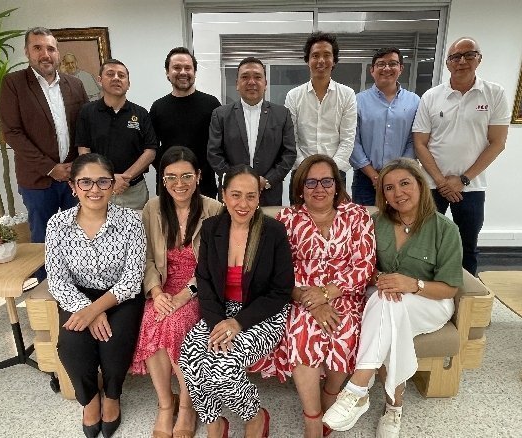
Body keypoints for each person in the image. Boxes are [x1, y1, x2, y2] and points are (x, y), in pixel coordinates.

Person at [323, 158, 463, 438]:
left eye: (405, 183)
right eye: (389, 187)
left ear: (420, 185)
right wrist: (381, 279)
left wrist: (413, 284)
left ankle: (357, 390)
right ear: (382, 195)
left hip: (430, 302)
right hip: (383, 298)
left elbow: (449, 288)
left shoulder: (445, 229)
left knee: (389, 304)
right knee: (390, 307)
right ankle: (393, 408)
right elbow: (361, 266)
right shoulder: (374, 223)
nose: (398, 192)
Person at [253, 154, 375, 438]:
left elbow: (365, 265)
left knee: (344, 330)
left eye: (326, 181)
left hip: (345, 293)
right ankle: (312, 416)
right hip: (299, 296)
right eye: (310, 182)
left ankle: (331, 394)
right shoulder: (286, 219)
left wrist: (327, 293)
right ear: (300, 187)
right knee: (303, 332)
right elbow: (277, 269)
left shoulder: (357, 216)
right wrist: (310, 300)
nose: (319, 188)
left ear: (337, 185)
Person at [178, 165, 294, 438]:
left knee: (223, 370)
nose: (243, 204)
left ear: (258, 198)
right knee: (190, 359)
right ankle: (215, 422)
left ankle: (255, 416)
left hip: (260, 314)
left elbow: (281, 291)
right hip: (219, 312)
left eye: (251, 196)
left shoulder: (273, 231)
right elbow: (204, 281)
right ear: (223, 195)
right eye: (236, 195)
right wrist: (219, 322)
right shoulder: (211, 228)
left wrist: (238, 323)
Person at [45, 153, 146, 438]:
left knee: (114, 344)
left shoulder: (130, 221)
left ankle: (112, 397)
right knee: (71, 346)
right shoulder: (58, 225)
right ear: (73, 187)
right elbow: (57, 280)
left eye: (103, 181)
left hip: (121, 296)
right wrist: (86, 308)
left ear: (113, 185)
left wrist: (95, 310)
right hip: (77, 296)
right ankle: (89, 400)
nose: (95, 189)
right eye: (85, 182)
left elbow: (132, 279)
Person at [130, 146, 222, 438]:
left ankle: (187, 404)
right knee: (150, 320)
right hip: (162, 286)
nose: (178, 184)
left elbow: (214, 265)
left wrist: (185, 294)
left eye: (186, 176)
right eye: (171, 177)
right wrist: (156, 292)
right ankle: (165, 403)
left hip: (199, 288)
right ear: (163, 180)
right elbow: (144, 257)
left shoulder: (213, 210)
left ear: (198, 176)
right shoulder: (153, 208)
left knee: (176, 323)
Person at [412, 37, 510, 275]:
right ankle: (429, 293)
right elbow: (420, 143)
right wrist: (443, 181)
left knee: (467, 245)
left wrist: (462, 179)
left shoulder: (494, 94)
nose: (462, 61)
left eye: (469, 55)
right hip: (432, 185)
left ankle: (468, 302)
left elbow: (497, 143)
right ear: (448, 63)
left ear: (479, 59)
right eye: (456, 57)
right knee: (426, 243)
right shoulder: (432, 97)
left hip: (472, 186)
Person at [0, 26, 89, 280]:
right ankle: (46, 290)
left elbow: (84, 127)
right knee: (43, 238)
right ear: (27, 51)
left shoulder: (75, 84)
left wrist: (77, 165)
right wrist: (51, 167)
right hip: (38, 180)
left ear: (58, 52)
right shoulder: (14, 84)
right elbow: (12, 133)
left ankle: (81, 283)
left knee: (80, 233)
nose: (45, 54)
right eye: (38, 48)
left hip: (74, 176)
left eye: (50, 48)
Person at [207, 57, 296, 206]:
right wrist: (237, 180)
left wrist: (267, 181)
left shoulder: (282, 114)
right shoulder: (220, 114)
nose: (251, 82)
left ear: (265, 83)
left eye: (257, 77)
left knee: (267, 229)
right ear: (237, 84)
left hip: (268, 194)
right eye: (245, 77)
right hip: (232, 193)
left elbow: (289, 153)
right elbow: (214, 153)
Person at [76, 59, 157, 210]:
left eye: (121, 75)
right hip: (98, 190)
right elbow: (83, 151)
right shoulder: (87, 112)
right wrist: (109, 180)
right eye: (110, 74)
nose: (116, 78)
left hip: (134, 190)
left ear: (128, 83)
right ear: (100, 80)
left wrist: (124, 178)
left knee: (136, 232)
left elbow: (150, 151)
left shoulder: (141, 113)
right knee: (99, 233)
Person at [285, 32, 357, 195]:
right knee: (299, 219)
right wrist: (306, 170)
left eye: (327, 55)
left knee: (335, 220)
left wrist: (330, 172)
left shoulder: (347, 95)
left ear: (334, 60)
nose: (321, 61)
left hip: (335, 174)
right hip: (301, 173)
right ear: (308, 60)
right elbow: (291, 139)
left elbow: (347, 139)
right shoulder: (294, 96)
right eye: (315, 55)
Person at [350, 47, 420, 206]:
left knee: (399, 224)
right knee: (365, 225)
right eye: (381, 64)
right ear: (372, 70)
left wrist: (398, 172)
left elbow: (414, 140)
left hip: (402, 178)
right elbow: (352, 141)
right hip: (366, 179)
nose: (386, 68)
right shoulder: (358, 101)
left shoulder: (414, 101)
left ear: (401, 68)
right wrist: (374, 176)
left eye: (392, 64)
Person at [150, 47, 222, 198]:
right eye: (176, 67)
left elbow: (220, 145)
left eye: (188, 68)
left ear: (194, 72)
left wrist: (200, 172)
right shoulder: (158, 107)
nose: (183, 72)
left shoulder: (211, 104)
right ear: (167, 73)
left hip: (204, 185)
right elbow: (152, 148)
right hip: (170, 186)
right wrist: (169, 173)